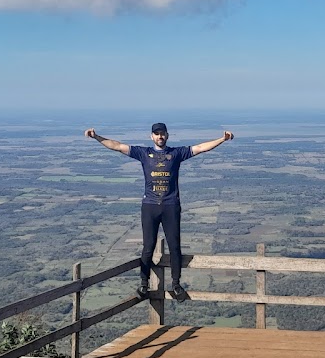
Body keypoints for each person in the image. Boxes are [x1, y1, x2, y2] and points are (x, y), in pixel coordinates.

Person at [84, 122, 233, 301]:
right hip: (150, 206)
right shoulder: (144, 153)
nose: (160, 136)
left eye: (162, 134)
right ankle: (144, 284)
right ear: (151, 136)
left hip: (171, 206)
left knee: (174, 247)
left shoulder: (176, 154)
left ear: (167, 136)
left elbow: (201, 148)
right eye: (156, 134)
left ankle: (176, 284)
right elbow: (117, 146)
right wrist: (96, 137)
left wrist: (223, 139)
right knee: (148, 247)